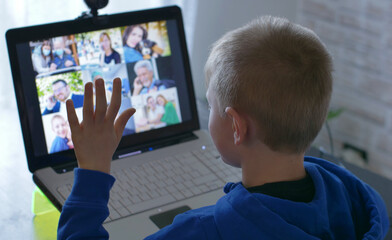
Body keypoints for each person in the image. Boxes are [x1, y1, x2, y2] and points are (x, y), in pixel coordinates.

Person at [58, 16, 389, 239]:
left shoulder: (203, 231)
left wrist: (93, 170)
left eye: (211, 106)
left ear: (236, 126)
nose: (208, 114)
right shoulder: (350, 199)